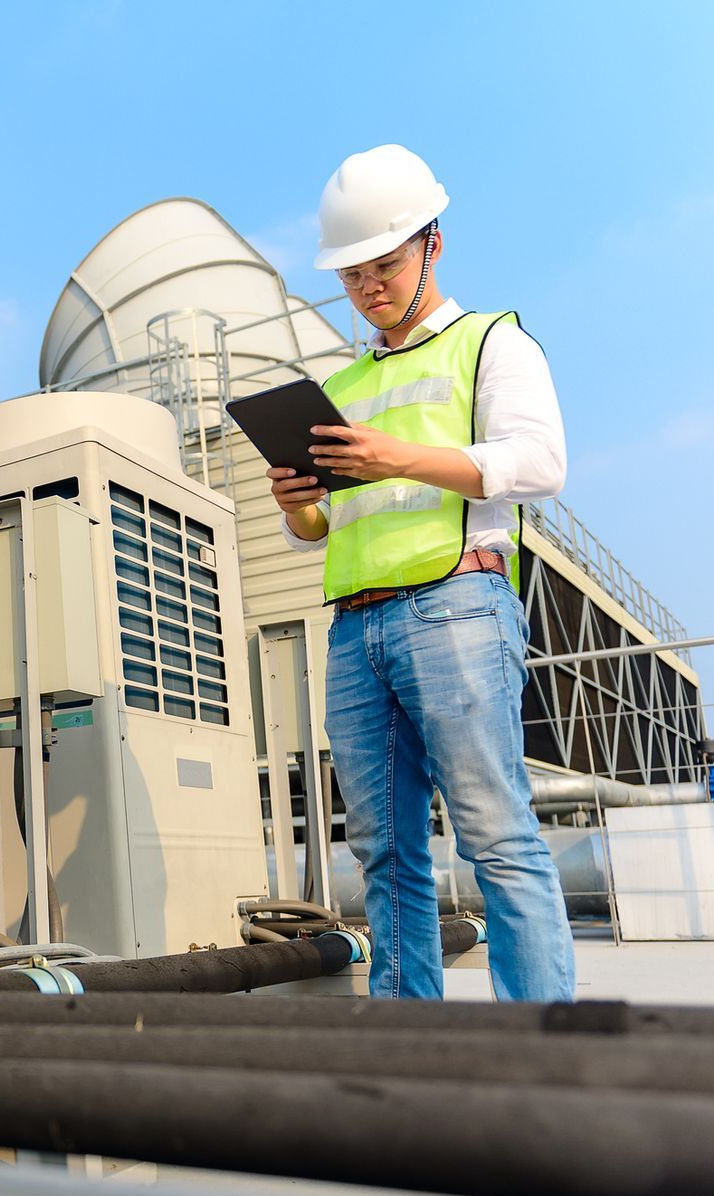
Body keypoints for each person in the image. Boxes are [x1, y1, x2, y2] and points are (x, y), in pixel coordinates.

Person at [269, 144, 575, 1002]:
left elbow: (540, 462)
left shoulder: (492, 344)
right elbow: (320, 527)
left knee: (493, 831)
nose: (368, 286)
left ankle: (544, 1047)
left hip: (458, 608)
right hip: (355, 626)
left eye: (385, 264)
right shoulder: (343, 383)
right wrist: (296, 501)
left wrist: (395, 456)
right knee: (383, 849)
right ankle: (410, 1038)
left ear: (432, 244)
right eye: (352, 274)